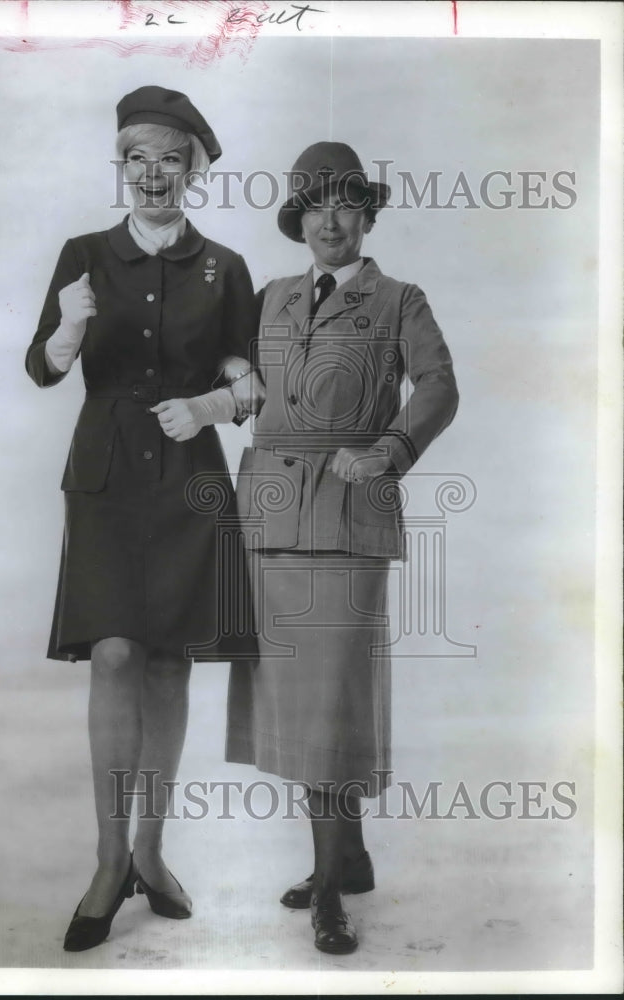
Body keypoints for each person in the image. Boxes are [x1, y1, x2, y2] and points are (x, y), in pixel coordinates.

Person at [25, 85, 261, 952]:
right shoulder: (83, 254)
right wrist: (66, 329)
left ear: (193, 168)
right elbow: (41, 368)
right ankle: (105, 857)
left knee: (168, 663)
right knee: (116, 652)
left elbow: (251, 386)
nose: (153, 173)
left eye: (170, 157)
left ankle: (151, 856)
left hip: (191, 478)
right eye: (136, 157)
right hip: (107, 474)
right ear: (118, 167)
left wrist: (210, 406)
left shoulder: (223, 266)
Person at [226, 142, 459, 954]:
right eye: (316, 204)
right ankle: (347, 856)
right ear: (300, 219)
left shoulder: (399, 300)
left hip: (348, 513)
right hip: (269, 521)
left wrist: (388, 450)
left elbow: (438, 384)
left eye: (346, 204)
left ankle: (327, 891)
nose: (331, 219)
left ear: (366, 215)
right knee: (304, 709)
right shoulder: (268, 298)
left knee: (328, 705)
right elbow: (231, 372)